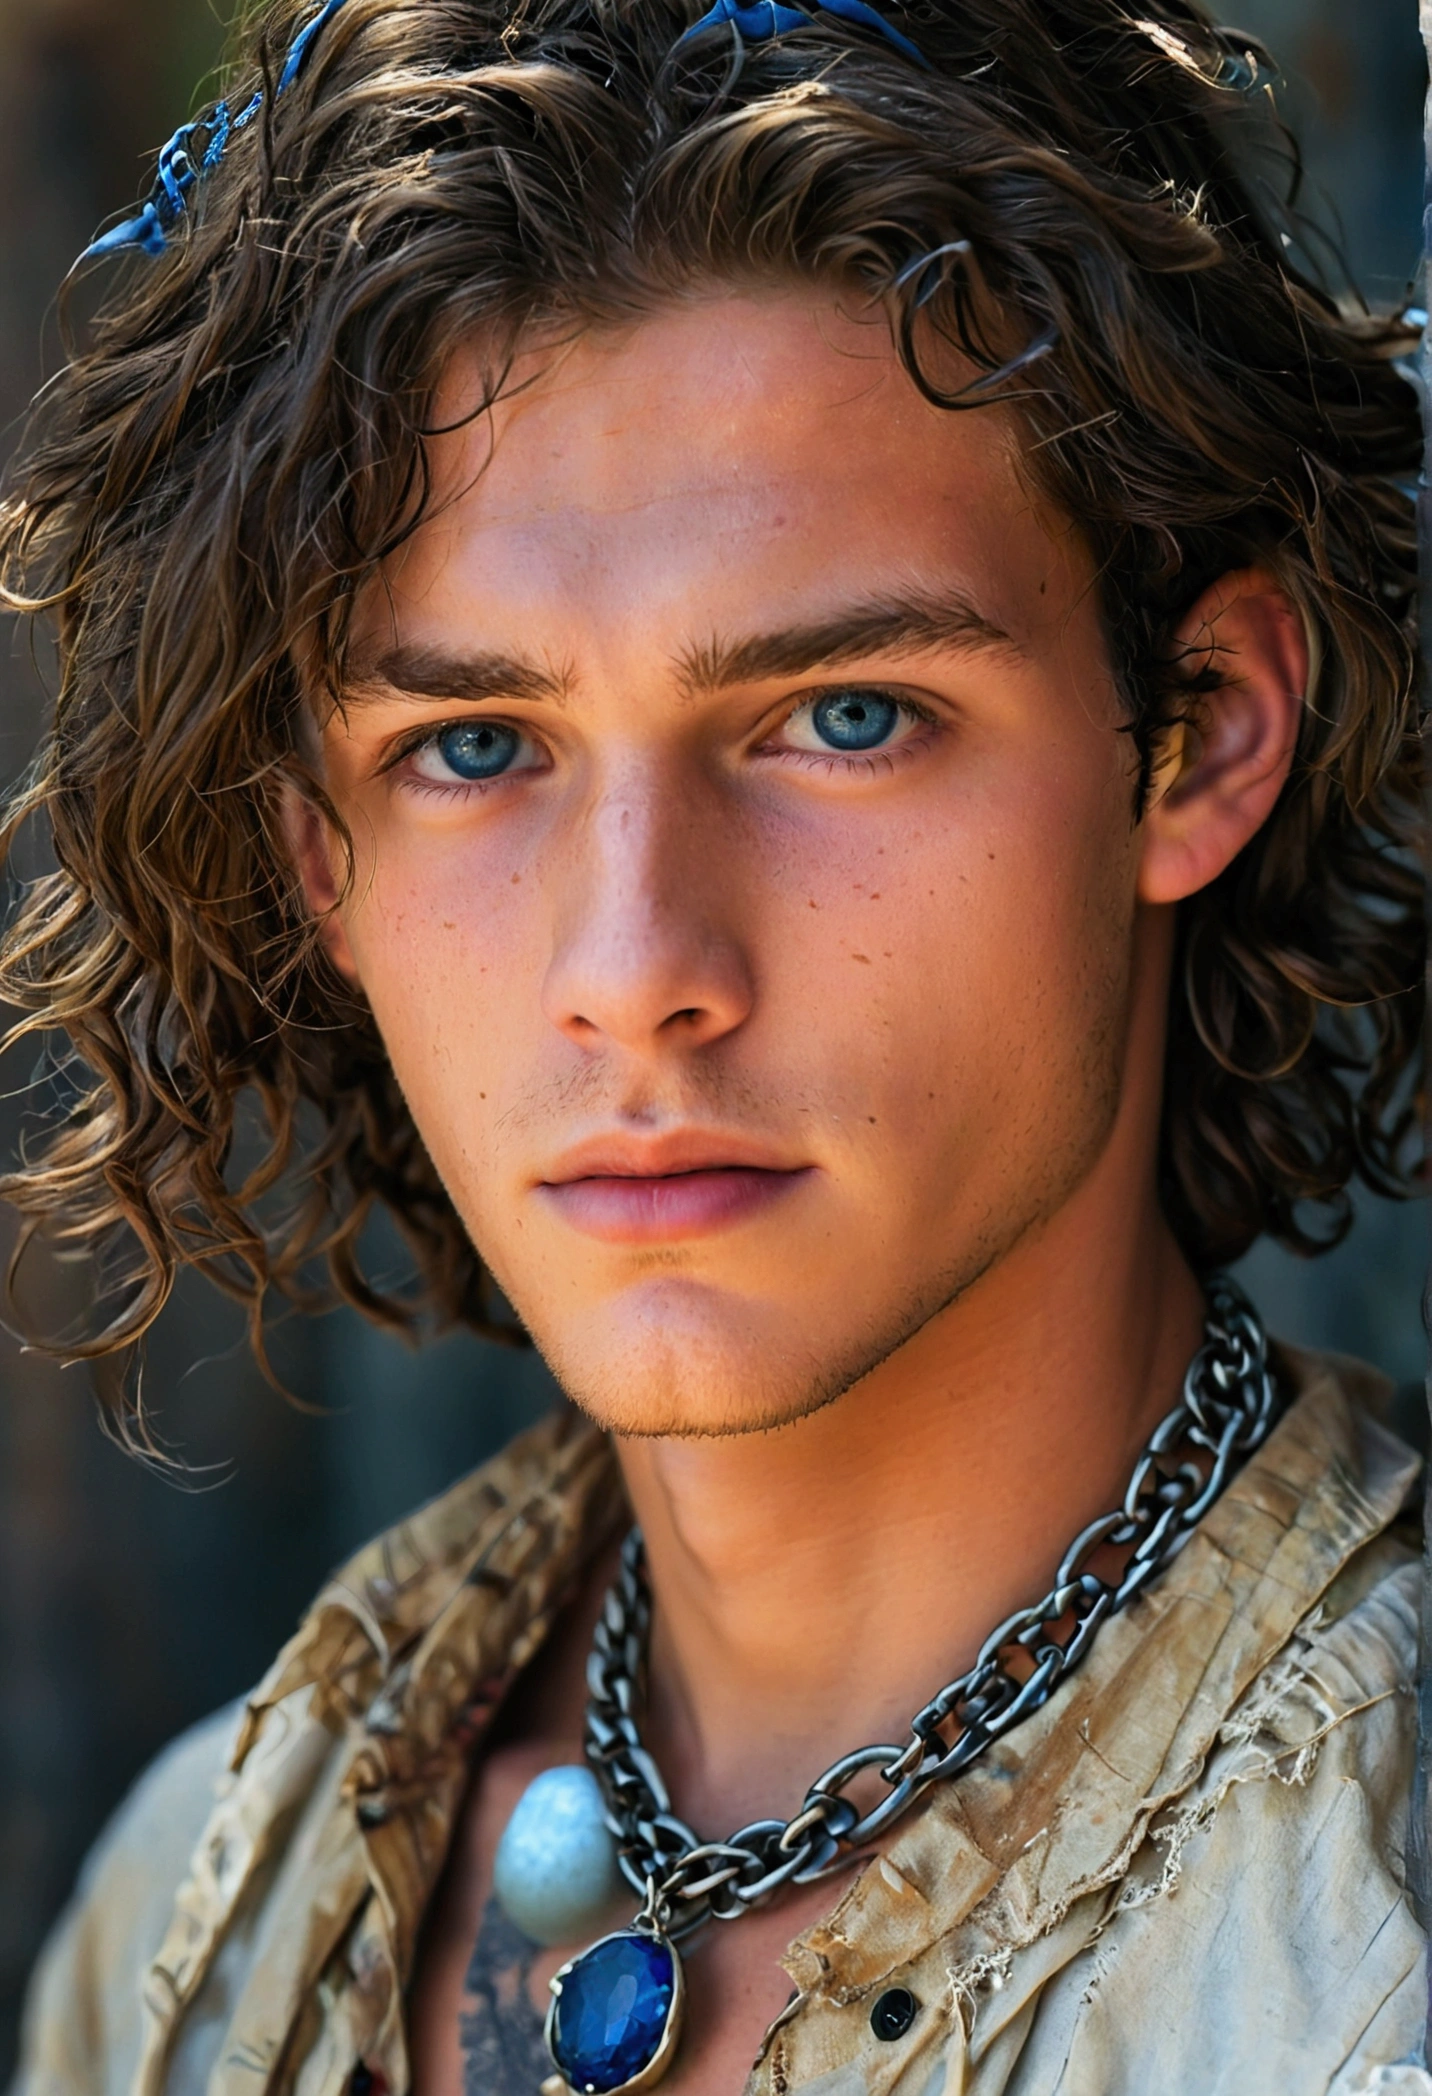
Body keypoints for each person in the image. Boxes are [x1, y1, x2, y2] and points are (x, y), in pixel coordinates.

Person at [2, 0, 1425, 2090]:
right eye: (475, 746)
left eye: (841, 716)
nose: (635, 965)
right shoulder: (190, 1929)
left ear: (1192, 733)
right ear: (321, 856)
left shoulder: (1362, 1962)